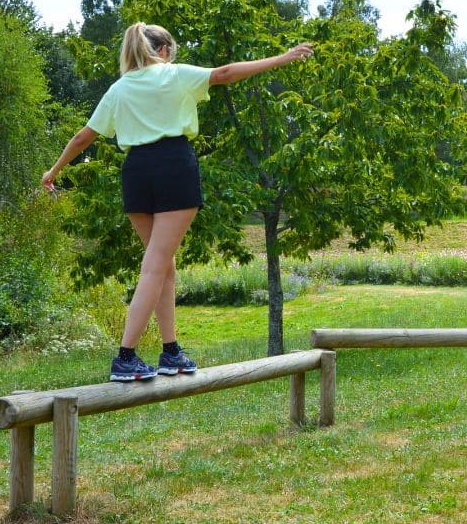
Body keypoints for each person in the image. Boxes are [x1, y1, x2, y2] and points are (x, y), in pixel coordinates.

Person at [42, 23, 313, 382]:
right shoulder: (174, 75)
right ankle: (125, 356)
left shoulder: (119, 89)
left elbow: (83, 137)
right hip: (173, 166)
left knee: (164, 265)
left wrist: (53, 171)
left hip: (136, 171)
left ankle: (170, 351)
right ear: (164, 50)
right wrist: (283, 58)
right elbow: (226, 73)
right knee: (155, 266)